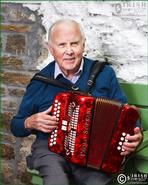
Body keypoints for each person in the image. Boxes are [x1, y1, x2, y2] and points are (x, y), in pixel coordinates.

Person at [11, 19, 143, 185]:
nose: (69, 51)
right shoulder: (40, 82)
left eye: (74, 44)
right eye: (62, 45)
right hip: (50, 149)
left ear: (83, 45)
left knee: (98, 182)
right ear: (51, 49)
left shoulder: (104, 74)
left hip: (92, 151)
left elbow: (127, 114)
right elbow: (16, 126)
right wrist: (29, 122)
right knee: (57, 181)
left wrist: (134, 135)